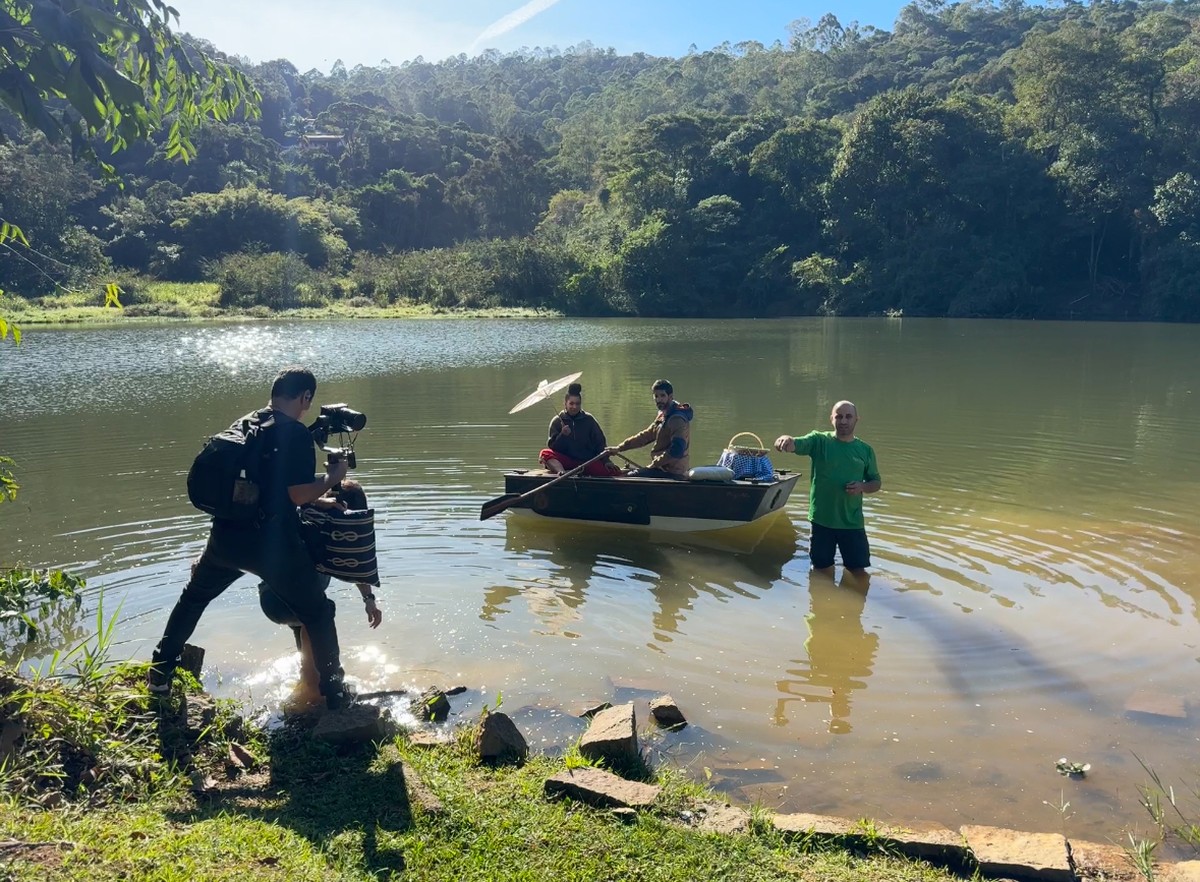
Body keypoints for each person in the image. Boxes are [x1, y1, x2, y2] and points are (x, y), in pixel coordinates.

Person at [148, 366, 355, 709]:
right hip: (271, 545)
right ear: (305, 397)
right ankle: (335, 693)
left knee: (193, 598)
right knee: (318, 613)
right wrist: (333, 477)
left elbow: (262, 485)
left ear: (274, 393)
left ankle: (159, 673)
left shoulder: (248, 423)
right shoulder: (295, 434)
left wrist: (319, 499)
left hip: (226, 536)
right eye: (308, 400)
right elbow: (295, 494)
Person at [259, 479, 381, 702]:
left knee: (305, 622)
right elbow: (358, 563)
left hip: (271, 599)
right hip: (284, 601)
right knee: (318, 613)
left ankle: (306, 686)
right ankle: (320, 689)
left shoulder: (305, 514)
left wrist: (369, 599)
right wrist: (369, 600)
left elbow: (355, 567)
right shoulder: (320, 525)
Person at [774, 400, 882, 575]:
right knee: (820, 572)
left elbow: (876, 482)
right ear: (832, 419)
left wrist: (862, 486)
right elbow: (797, 443)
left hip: (852, 523)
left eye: (848, 416)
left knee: (857, 573)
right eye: (839, 416)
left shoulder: (865, 450)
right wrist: (787, 440)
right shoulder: (819, 441)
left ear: (856, 419)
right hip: (822, 522)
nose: (843, 421)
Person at [605, 379, 694, 478]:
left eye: (662, 396)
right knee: (624, 473)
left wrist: (655, 464)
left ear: (670, 396)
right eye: (656, 396)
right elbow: (645, 437)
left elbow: (677, 450)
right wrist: (619, 448)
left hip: (673, 472)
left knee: (628, 477)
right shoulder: (663, 415)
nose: (659, 400)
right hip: (661, 468)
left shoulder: (677, 419)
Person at [539, 382, 620, 477]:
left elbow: (600, 443)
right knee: (544, 453)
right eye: (571, 403)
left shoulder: (589, 420)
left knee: (613, 472)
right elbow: (553, 447)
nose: (574, 407)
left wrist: (606, 461)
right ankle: (562, 473)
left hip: (587, 461)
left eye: (577, 404)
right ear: (565, 403)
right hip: (566, 461)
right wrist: (562, 435)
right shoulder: (557, 421)